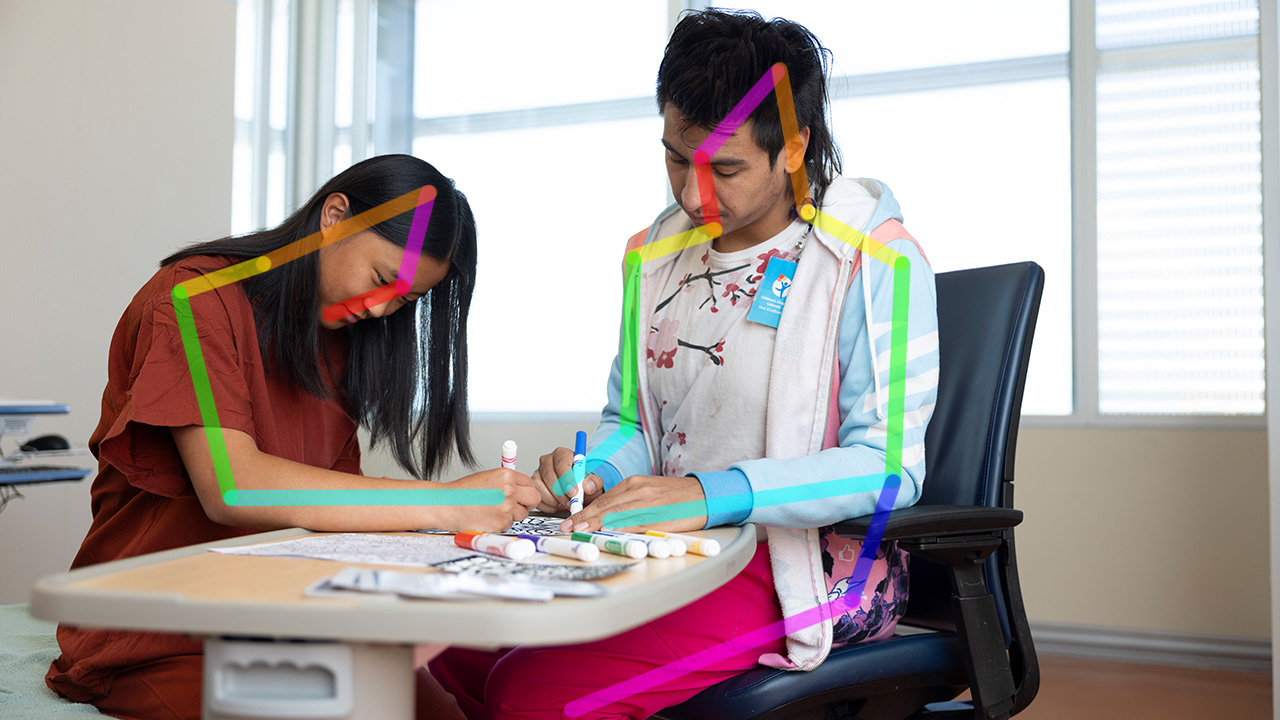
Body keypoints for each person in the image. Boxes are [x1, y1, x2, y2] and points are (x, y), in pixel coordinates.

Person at [428, 9, 939, 719]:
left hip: (803, 572)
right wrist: (595, 473)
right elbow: (633, 422)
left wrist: (706, 495)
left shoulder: (874, 258)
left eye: (725, 168)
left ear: (794, 147)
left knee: (533, 693)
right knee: (454, 641)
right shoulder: (654, 256)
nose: (693, 194)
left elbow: (889, 466)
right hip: (672, 545)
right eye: (675, 158)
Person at [46, 154, 539, 719]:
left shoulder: (340, 336)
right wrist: (446, 503)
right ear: (334, 216)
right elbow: (232, 487)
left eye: (404, 301)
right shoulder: (194, 298)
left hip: (285, 617)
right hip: (156, 631)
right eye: (382, 280)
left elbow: (335, 508)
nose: (382, 309)